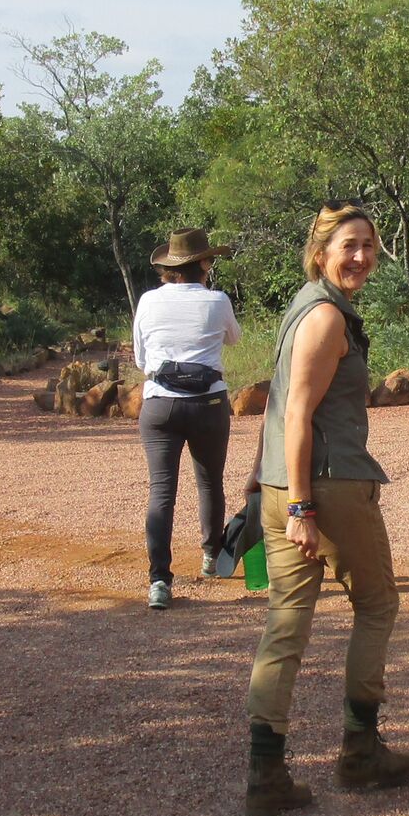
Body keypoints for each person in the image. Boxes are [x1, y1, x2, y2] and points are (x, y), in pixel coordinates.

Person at [242, 201, 409, 816]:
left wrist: (274, 494)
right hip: (326, 486)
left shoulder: (304, 306)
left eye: (369, 245)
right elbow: (298, 415)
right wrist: (301, 508)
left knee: (287, 621)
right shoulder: (325, 318)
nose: (363, 256)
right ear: (321, 251)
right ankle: (360, 751)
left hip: (285, 485)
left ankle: (266, 775)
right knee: (376, 604)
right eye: (350, 245)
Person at [132, 227, 241, 610]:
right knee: (209, 482)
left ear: (169, 267)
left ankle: (159, 581)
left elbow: (141, 361)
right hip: (208, 404)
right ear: (203, 264)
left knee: (161, 492)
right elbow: (235, 339)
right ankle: (212, 557)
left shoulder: (147, 301)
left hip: (160, 404)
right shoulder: (217, 300)